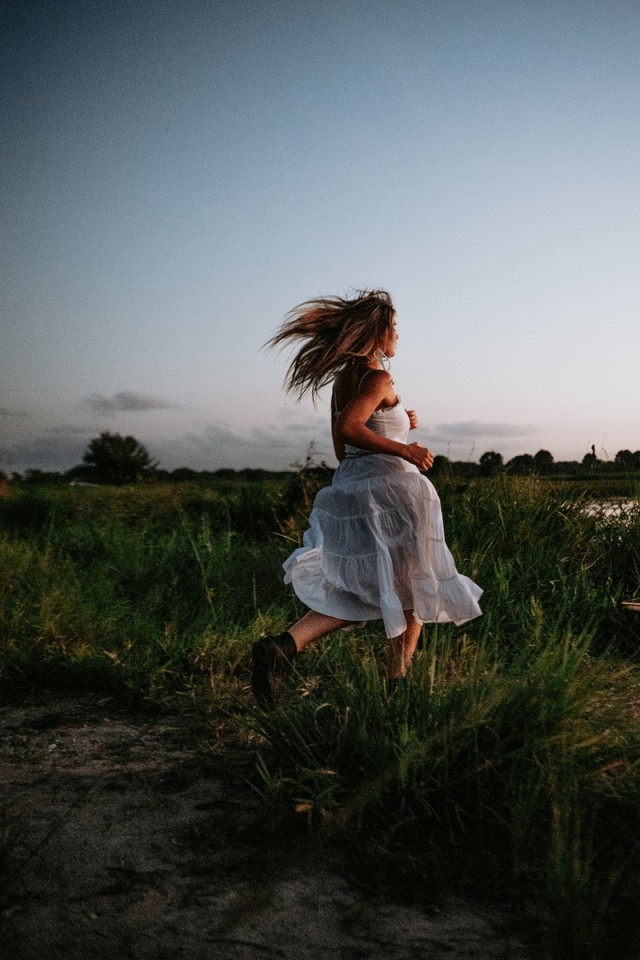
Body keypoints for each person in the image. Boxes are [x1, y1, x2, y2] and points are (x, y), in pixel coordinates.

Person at [252, 290, 482, 709]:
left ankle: (283, 647)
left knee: (367, 590)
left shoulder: (345, 379)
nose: (397, 336)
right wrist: (406, 450)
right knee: (413, 588)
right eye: (393, 328)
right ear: (376, 332)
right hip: (392, 494)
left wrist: (397, 429)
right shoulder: (377, 378)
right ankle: (396, 689)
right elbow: (350, 430)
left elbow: (347, 450)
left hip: (353, 487)